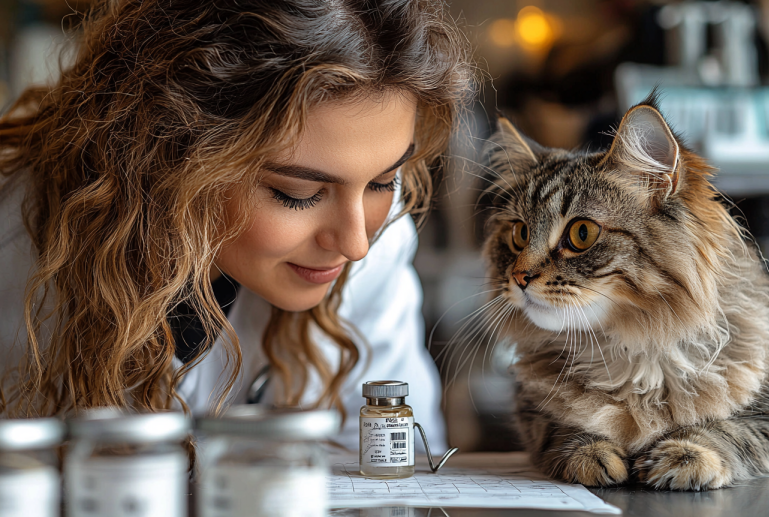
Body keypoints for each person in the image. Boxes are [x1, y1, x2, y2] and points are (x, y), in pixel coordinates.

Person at [0, 0, 471, 451]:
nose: (355, 244)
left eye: (383, 180)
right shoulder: (13, 238)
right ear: (174, 155)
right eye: (298, 194)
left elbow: (391, 469)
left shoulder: (378, 242)